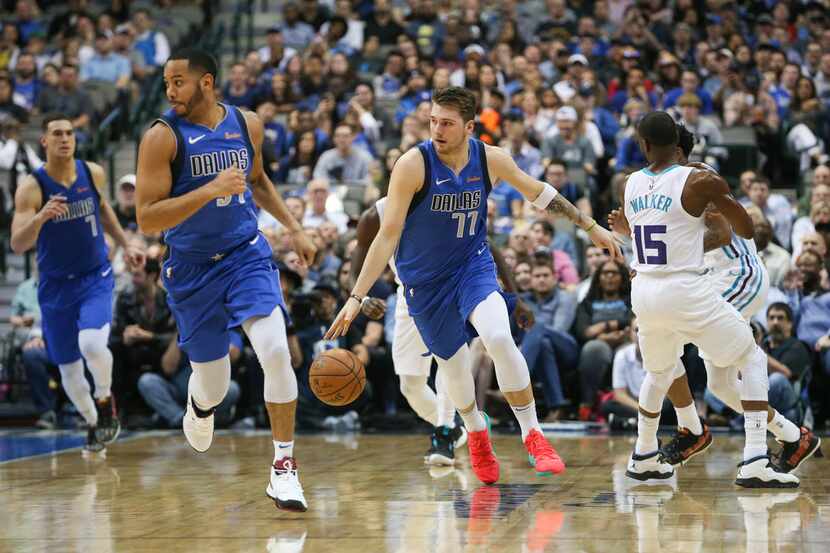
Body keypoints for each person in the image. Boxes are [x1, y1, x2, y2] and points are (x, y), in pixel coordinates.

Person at [326, 86, 621, 484]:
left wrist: (591, 226)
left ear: (468, 126)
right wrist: (355, 297)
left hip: (471, 267)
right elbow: (386, 235)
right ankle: (476, 434)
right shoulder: (412, 165)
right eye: (432, 121)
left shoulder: (490, 158)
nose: (436, 130)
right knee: (454, 370)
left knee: (499, 338)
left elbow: (539, 193)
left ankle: (534, 434)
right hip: (424, 286)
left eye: (446, 123)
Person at [134, 49, 316, 512]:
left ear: (207, 83)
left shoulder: (246, 123)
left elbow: (258, 181)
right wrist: (210, 189)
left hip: (245, 254)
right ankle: (199, 407)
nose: (170, 91)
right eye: (166, 83)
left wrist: (293, 228)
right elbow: (147, 218)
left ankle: (283, 469)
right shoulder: (162, 137)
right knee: (213, 383)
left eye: (178, 82)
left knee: (275, 349)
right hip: (191, 268)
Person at [613, 111, 800, 488]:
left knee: (660, 371)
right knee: (751, 357)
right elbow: (745, 228)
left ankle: (645, 454)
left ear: (644, 146)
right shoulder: (700, 179)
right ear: (679, 144)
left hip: (644, 291)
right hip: (685, 289)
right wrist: (718, 193)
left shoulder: (630, 183)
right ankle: (755, 460)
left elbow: (653, 234)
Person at [350, 197, 533, 465]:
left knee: (448, 361)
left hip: (453, 289)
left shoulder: (442, 202)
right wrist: (363, 300)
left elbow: (486, 245)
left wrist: (514, 296)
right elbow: (357, 264)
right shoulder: (373, 216)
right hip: (410, 293)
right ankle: (463, 424)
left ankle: (445, 430)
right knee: (410, 385)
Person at [10, 113, 145, 454]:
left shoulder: (92, 172)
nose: (64, 139)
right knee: (68, 368)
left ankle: (103, 400)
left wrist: (126, 244)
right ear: (44, 141)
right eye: (56, 133)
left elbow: (103, 210)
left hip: (94, 277)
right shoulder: (32, 186)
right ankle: (91, 422)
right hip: (54, 286)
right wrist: (40, 217)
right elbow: (17, 244)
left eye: (69, 133)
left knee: (93, 346)